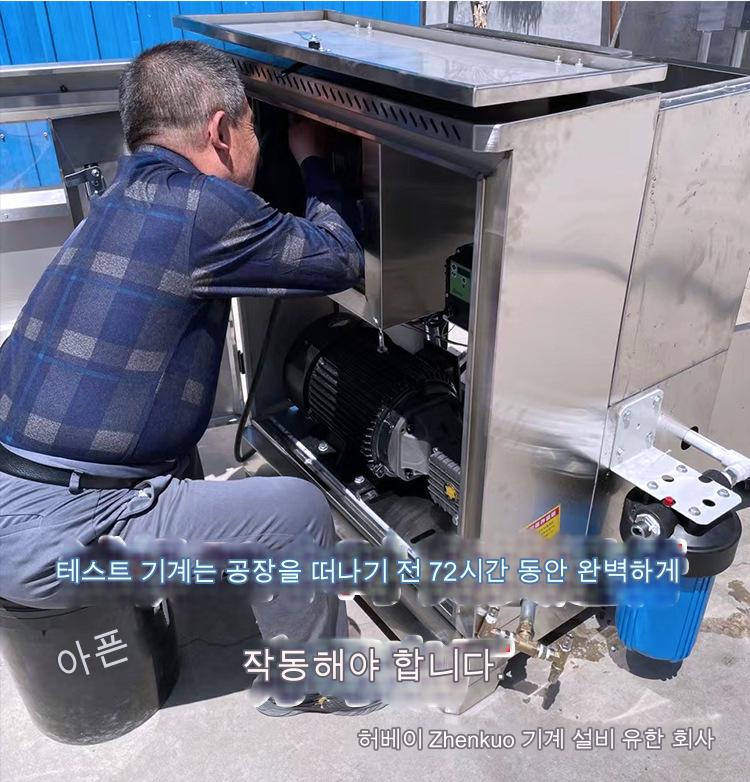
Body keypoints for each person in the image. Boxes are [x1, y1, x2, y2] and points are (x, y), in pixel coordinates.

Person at [0, 41, 371, 716]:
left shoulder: (117, 195)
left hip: (16, 494)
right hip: (57, 538)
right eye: (257, 126)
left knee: (181, 450)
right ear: (222, 131)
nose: (260, 140)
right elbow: (340, 258)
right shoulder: (203, 207)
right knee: (297, 512)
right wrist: (313, 156)